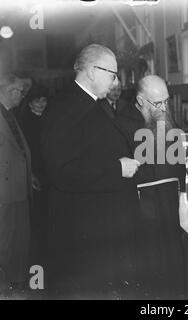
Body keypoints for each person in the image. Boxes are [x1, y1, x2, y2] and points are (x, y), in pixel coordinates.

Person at [40, 44, 141, 297]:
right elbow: (62, 171)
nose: (116, 82)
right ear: (93, 71)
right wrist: (117, 168)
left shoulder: (88, 102)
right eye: (113, 74)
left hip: (97, 230)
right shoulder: (65, 106)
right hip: (83, 236)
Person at [117, 75, 187, 299]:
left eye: (167, 101)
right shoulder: (122, 124)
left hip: (168, 201)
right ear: (140, 101)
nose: (164, 108)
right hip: (142, 205)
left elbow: (176, 159)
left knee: (172, 255)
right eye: (158, 103)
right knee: (150, 262)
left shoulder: (163, 116)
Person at [0, 74, 32, 294]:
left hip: (18, 189)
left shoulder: (10, 115)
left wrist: (30, 175)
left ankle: (16, 279)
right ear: (10, 91)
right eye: (20, 91)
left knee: (17, 238)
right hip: (5, 192)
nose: (22, 96)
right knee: (6, 239)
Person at [17, 84, 49, 265]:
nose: (41, 104)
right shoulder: (24, 120)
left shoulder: (48, 117)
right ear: (30, 102)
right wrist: (31, 173)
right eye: (37, 100)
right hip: (33, 173)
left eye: (44, 100)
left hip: (48, 171)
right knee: (36, 215)